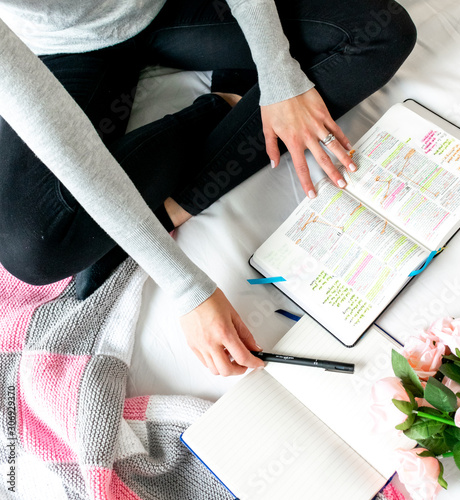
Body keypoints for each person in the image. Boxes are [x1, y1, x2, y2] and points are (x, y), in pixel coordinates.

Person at [0, 0, 416, 377]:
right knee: (33, 249)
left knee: (381, 32)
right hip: (59, 50)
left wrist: (278, 74)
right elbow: (62, 143)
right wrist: (188, 289)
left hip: (179, 9)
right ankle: (225, 105)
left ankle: (177, 202)